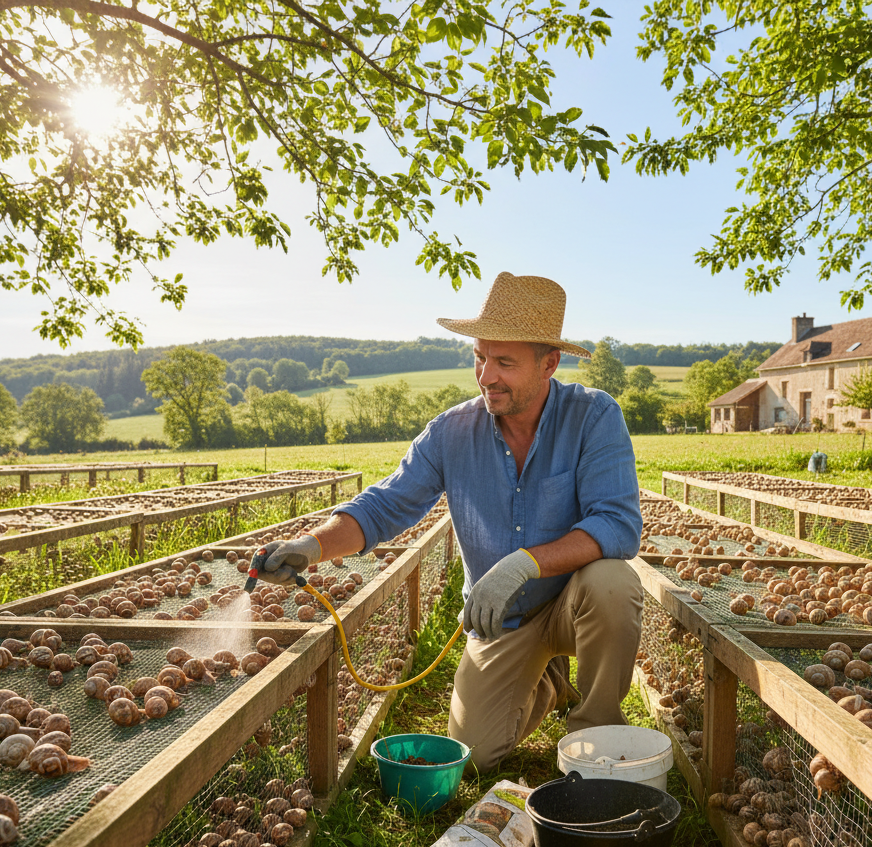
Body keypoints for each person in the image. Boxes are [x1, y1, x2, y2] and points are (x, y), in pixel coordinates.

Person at [256, 272, 644, 771]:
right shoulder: (452, 432)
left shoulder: (593, 417)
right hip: (501, 621)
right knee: (477, 755)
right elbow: (384, 506)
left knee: (613, 582)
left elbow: (617, 524)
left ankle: (597, 742)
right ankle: (548, 678)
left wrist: (524, 563)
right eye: (480, 357)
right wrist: (311, 545)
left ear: (550, 363)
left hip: (575, 603)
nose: (486, 376)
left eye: (505, 362)